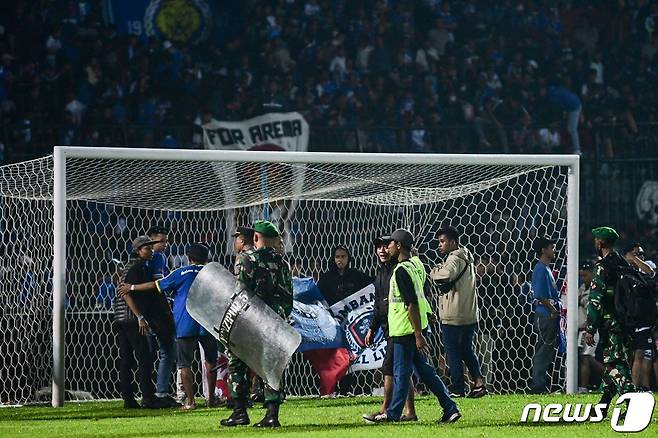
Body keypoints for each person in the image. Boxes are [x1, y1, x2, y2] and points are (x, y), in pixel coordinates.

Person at [366, 229, 460, 424]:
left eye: (391, 243)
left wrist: (418, 334)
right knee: (426, 372)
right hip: (414, 328)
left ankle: (392, 414)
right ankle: (450, 408)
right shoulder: (415, 264)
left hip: (404, 329)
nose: (387, 247)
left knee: (401, 373)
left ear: (398, 246)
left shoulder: (400, 271)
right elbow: (420, 295)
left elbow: (411, 304)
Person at [118, 243, 220, 411]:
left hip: (185, 323)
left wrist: (132, 287)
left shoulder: (181, 272)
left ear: (189, 257)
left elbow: (157, 285)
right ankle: (210, 399)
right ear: (207, 258)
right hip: (207, 322)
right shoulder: (213, 273)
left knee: (184, 363)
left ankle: (191, 401)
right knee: (211, 361)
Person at [221, 220, 293, 428]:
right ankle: (272, 415)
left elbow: (241, 292)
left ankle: (239, 412)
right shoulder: (283, 264)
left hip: (249, 321)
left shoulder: (246, 259)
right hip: (273, 321)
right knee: (271, 366)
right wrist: (279, 316)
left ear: (255, 237)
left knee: (237, 364)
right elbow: (288, 298)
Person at [363, 236, 417, 422]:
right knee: (406, 370)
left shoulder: (399, 270)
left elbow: (410, 300)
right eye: (379, 247)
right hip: (390, 328)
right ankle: (411, 412)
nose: (382, 250)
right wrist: (372, 327)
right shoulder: (380, 273)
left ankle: (386, 409)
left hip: (400, 326)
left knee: (389, 368)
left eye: (386, 246)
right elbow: (379, 304)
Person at [430, 226, 486, 398]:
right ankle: (478, 382)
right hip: (469, 314)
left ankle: (457, 388)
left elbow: (446, 274)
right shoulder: (466, 256)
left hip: (454, 315)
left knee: (452, 352)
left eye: (442, 241)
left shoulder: (454, 258)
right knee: (466, 350)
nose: (440, 245)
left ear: (453, 242)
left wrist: (434, 271)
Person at [112, 236, 166, 409]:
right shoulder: (138, 267)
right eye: (147, 248)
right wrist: (140, 317)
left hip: (121, 319)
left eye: (151, 248)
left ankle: (128, 398)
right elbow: (125, 292)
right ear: (137, 251)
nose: (150, 251)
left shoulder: (129, 266)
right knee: (144, 357)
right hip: (131, 318)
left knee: (127, 359)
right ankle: (148, 397)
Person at [585, 227, 635, 416]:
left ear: (601, 243)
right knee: (611, 366)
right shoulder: (622, 263)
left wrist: (591, 328)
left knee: (615, 365)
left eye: (596, 240)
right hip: (625, 322)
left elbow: (595, 300)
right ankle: (602, 407)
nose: (595, 243)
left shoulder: (602, 266)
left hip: (610, 323)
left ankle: (634, 406)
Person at [145, 225, 178, 407]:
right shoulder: (157, 257)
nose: (165, 244)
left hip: (144, 312)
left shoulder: (139, 260)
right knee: (168, 351)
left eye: (166, 240)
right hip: (158, 313)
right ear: (151, 241)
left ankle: (148, 393)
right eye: (161, 241)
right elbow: (160, 285)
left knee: (148, 354)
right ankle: (162, 391)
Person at [530, 236, 562, 394]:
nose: (554, 250)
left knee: (547, 350)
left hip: (548, 313)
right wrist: (552, 309)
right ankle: (538, 385)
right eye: (552, 247)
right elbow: (539, 295)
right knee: (543, 350)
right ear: (544, 250)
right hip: (545, 314)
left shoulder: (545, 268)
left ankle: (542, 383)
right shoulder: (540, 268)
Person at [622, 242, 656, 391]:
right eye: (637, 253)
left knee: (642, 353)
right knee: (636, 354)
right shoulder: (623, 272)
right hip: (630, 320)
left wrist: (635, 259)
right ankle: (635, 386)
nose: (641, 256)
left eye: (642, 254)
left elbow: (651, 272)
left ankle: (640, 386)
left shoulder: (642, 270)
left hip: (644, 320)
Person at [577, 262, 603, 392]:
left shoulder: (595, 290)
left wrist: (581, 300)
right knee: (585, 358)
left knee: (586, 358)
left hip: (592, 329)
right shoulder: (581, 288)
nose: (583, 278)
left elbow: (592, 308)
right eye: (581, 275)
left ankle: (611, 376)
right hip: (582, 330)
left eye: (585, 275)